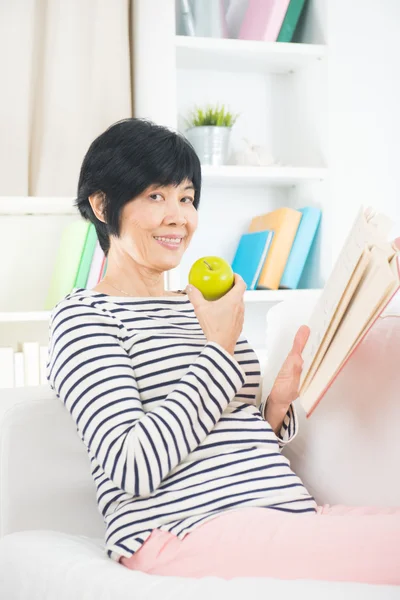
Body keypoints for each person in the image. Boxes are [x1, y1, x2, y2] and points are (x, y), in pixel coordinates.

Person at [46, 118, 400, 585]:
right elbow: (132, 465)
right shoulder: (86, 318)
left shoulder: (201, 304)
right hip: (185, 530)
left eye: (187, 198)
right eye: (156, 196)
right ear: (101, 204)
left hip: (279, 515)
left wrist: (275, 404)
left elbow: (224, 437)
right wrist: (217, 350)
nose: (179, 216)